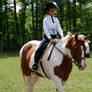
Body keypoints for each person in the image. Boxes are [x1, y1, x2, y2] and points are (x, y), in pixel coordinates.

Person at [32, 2, 64, 71]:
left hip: (55, 37)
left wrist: (62, 35)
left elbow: (59, 28)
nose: (53, 12)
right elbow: (45, 30)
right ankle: (35, 64)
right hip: (47, 38)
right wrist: (50, 39)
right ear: (47, 11)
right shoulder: (45, 20)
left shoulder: (56, 19)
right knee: (39, 49)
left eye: (54, 10)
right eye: (51, 11)